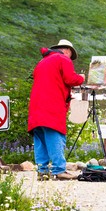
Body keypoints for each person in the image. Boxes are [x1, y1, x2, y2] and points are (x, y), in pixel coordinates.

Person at [28, 39, 85, 180]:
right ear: (67, 50)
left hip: (36, 107)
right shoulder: (63, 59)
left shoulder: (41, 62)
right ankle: (59, 170)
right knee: (56, 136)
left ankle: (42, 171)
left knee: (41, 139)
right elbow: (70, 79)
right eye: (71, 55)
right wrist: (81, 77)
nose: (70, 58)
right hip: (52, 105)